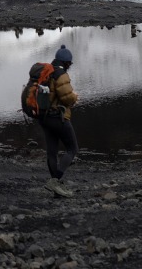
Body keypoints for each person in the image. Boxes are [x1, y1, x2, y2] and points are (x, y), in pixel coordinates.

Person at [41, 45, 80, 198]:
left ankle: (54, 183)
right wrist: (75, 97)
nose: (69, 66)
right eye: (69, 63)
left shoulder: (46, 72)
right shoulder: (60, 74)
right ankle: (55, 181)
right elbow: (67, 98)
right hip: (58, 117)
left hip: (44, 117)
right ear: (66, 63)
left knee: (52, 151)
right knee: (72, 148)